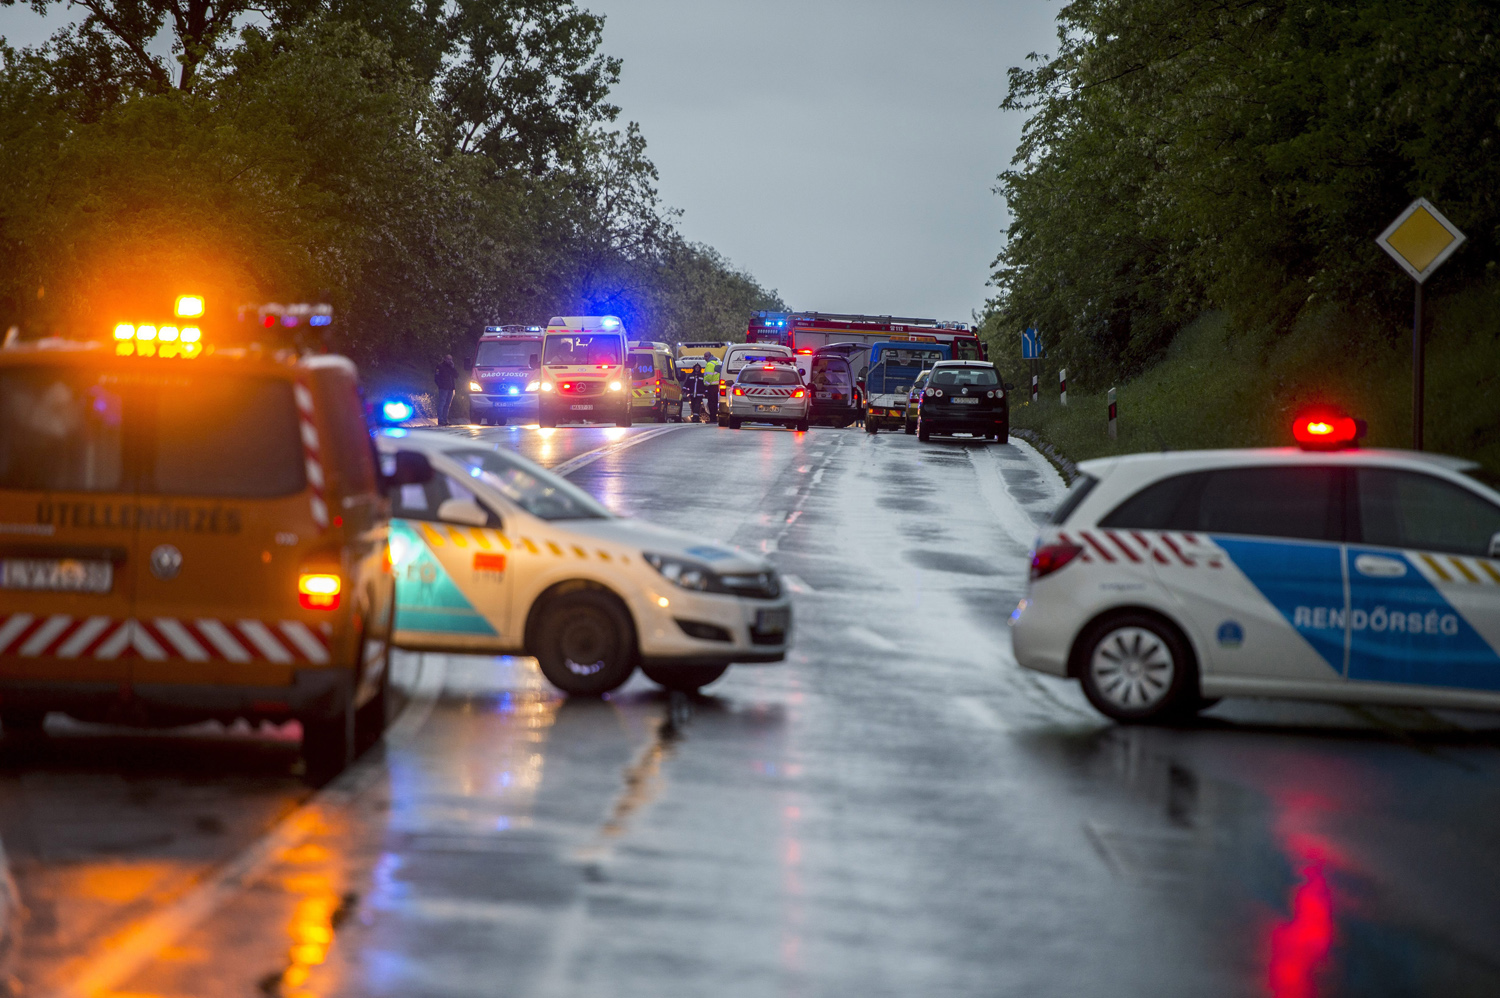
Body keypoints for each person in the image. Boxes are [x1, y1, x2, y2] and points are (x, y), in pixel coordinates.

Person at [434, 354, 457, 425]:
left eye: (451, 359)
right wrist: (440, 385)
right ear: (445, 359)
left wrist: (453, 367)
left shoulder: (451, 367)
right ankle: (440, 420)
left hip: (450, 388)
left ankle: (445, 419)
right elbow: (436, 377)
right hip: (443, 388)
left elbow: (456, 376)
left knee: (447, 404)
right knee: (442, 403)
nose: (450, 361)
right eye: (448, 359)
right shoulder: (440, 366)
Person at [703, 355, 721, 421]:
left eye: (705, 356)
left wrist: (706, 384)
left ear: (709, 356)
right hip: (716, 386)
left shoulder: (710, 364)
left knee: (711, 403)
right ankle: (714, 418)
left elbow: (709, 376)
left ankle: (712, 418)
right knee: (715, 402)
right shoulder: (716, 363)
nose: (704, 358)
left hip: (711, 386)